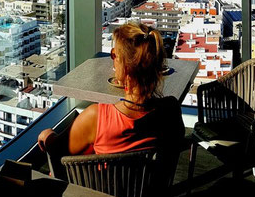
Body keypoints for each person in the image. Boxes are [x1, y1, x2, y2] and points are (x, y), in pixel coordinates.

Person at [38, 22, 184, 168]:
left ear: (126, 68)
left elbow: (57, 149)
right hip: (151, 189)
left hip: (102, 191)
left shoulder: (97, 118)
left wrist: (48, 135)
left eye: (115, 54)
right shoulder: (171, 109)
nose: (112, 58)